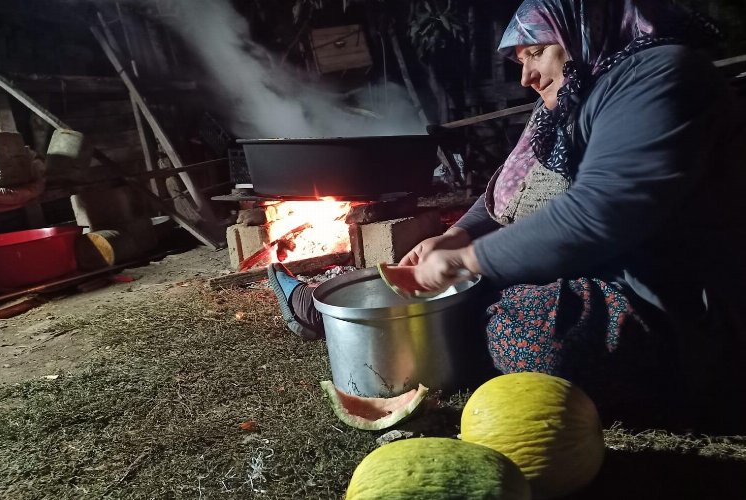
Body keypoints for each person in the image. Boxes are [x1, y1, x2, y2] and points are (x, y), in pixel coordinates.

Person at [269, 0, 746, 430]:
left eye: (536, 52)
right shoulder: (576, 96)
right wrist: (456, 235)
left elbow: (603, 211)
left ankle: (344, 318)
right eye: (520, 62)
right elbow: (507, 190)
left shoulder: (661, 78)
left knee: (528, 331)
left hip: (679, 306)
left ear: (582, 25)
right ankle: (335, 310)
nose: (526, 77)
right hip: (604, 273)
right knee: (474, 294)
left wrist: (466, 260)